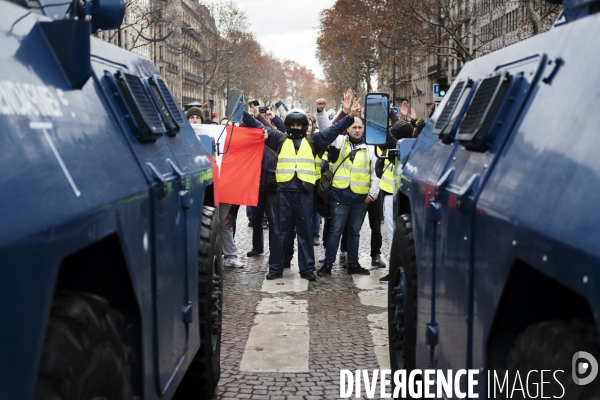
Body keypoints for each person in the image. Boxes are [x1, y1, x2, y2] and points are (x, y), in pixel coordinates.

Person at [242, 100, 361, 281]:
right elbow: (258, 125)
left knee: (305, 232)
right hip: (284, 194)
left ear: (304, 126)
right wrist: (241, 112)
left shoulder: (315, 141)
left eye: (298, 124)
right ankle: (275, 268)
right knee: (280, 233)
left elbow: (333, 130)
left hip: (305, 194)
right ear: (288, 126)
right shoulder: (279, 139)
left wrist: (350, 117)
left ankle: (306, 270)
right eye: (292, 124)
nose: (295, 127)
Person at [317, 113, 380, 277]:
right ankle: (328, 265)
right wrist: (321, 112)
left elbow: (376, 172)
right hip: (339, 196)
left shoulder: (371, 147)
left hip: (360, 198)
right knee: (335, 232)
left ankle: (353, 263)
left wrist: (372, 195)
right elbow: (326, 130)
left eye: (360, 127)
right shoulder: (339, 141)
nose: (357, 131)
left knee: (353, 232)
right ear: (348, 129)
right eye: (354, 127)